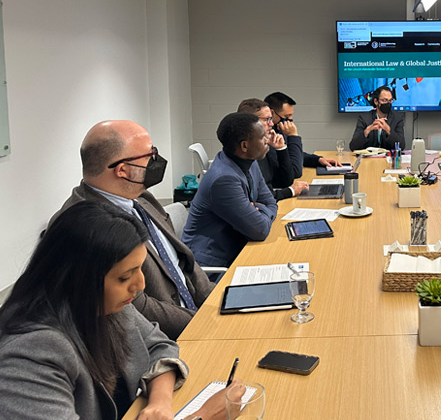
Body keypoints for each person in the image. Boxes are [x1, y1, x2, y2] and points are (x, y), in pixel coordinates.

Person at [0, 201, 243, 420]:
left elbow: (159, 345)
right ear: (78, 279)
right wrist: (202, 417)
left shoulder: (102, 305)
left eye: (139, 269)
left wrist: (160, 402)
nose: (140, 285)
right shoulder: (30, 353)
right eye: (125, 277)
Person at [50, 120, 214, 340]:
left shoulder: (141, 196)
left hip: (198, 317)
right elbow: (136, 306)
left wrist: (215, 303)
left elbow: (183, 261)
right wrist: (204, 324)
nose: (156, 160)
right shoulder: (81, 227)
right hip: (166, 338)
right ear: (123, 170)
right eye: (150, 155)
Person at [182, 112, 278, 268]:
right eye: (262, 137)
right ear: (244, 146)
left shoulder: (250, 162)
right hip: (212, 266)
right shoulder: (223, 180)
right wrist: (260, 209)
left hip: (240, 246)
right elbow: (260, 229)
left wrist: (258, 209)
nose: (268, 140)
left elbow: (271, 202)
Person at [237, 98, 308, 201]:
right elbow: (261, 197)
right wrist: (291, 191)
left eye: (271, 119)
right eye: (266, 120)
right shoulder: (247, 151)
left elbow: (285, 181)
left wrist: (281, 149)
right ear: (249, 122)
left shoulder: (264, 145)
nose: (271, 124)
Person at [265, 92, 341, 176]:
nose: (290, 120)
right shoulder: (266, 138)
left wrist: (318, 160)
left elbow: (291, 154)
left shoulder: (278, 131)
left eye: (291, 116)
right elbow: (295, 171)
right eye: (286, 116)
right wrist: (293, 136)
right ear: (271, 114)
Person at [349, 85, 406, 151]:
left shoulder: (397, 117)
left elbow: (402, 146)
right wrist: (367, 130)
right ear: (376, 101)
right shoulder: (365, 118)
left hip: (389, 159)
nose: (388, 103)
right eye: (384, 100)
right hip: (368, 159)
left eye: (390, 101)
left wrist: (388, 130)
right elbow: (353, 147)